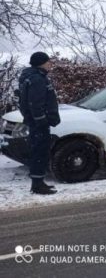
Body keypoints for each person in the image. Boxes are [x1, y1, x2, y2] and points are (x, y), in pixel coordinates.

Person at [18, 52, 60, 195]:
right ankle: (37, 185)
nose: (50, 64)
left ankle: (38, 183)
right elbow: (35, 103)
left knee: (38, 151)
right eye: (48, 61)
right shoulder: (37, 79)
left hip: (36, 123)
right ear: (41, 63)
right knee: (39, 152)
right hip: (39, 124)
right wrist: (41, 121)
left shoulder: (32, 76)